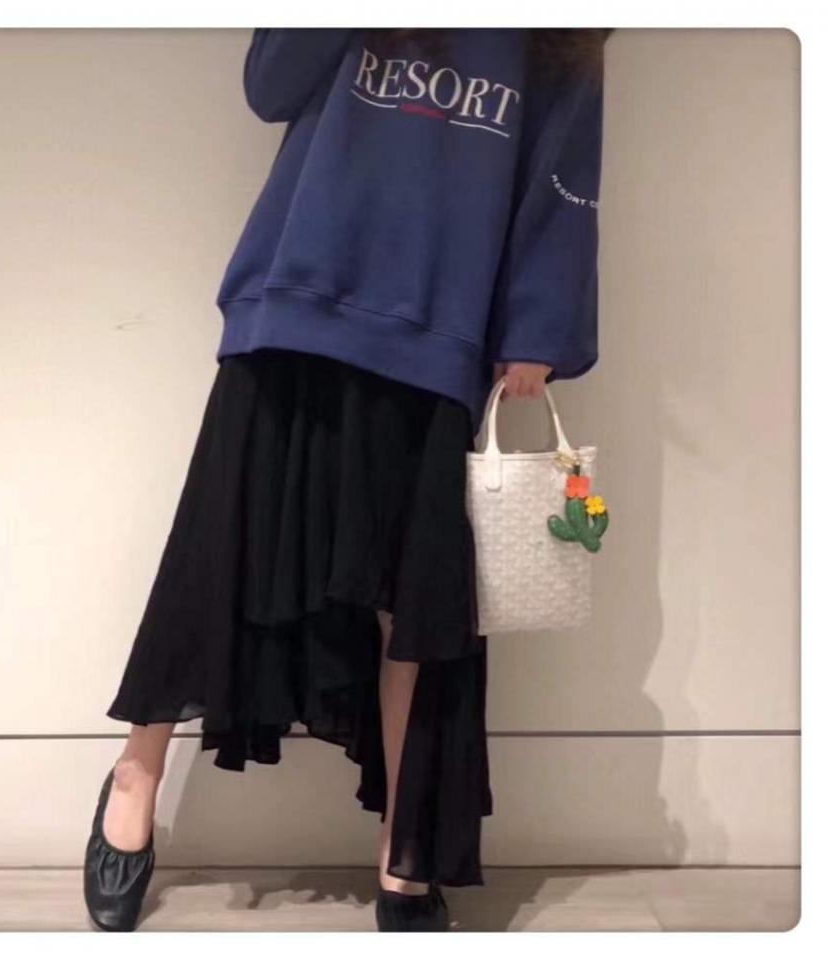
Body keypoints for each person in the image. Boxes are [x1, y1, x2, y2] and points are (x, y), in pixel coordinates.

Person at [83, 26, 608, 933]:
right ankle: (136, 774)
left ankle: (405, 846)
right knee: (217, 555)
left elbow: (566, 168)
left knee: (421, 607)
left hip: (442, 323)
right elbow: (270, 83)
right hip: (297, 296)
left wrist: (537, 325)